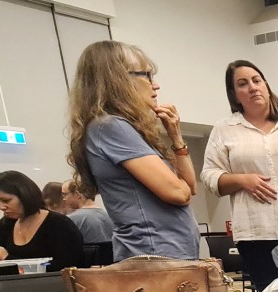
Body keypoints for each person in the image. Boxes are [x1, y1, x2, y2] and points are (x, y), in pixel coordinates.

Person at [67, 41, 198, 262]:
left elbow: (190, 188)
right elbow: (178, 193)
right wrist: (179, 186)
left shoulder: (124, 128)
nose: (155, 85)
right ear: (118, 79)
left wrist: (176, 138)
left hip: (164, 254)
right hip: (153, 255)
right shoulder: (110, 126)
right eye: (146, 75)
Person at [201, 60, 278, 292]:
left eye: (256, 81)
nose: (252, 87)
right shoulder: (224, 129)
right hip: (256, 234)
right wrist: (241, 180)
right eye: (243, 84)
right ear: (234, 95)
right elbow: (209, 175)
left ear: (266, 86)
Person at [0, 170, 84, 271]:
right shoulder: (6, 224)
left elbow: (64, 268)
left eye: (6, 200)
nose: (1, 207)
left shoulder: (59, 225)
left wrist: (8, 259)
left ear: (25, 195)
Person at [62, 178, 114, 244]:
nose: (64, 199)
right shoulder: (111, 216)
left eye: (64, 194)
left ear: (77, 195)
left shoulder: (70, 220)